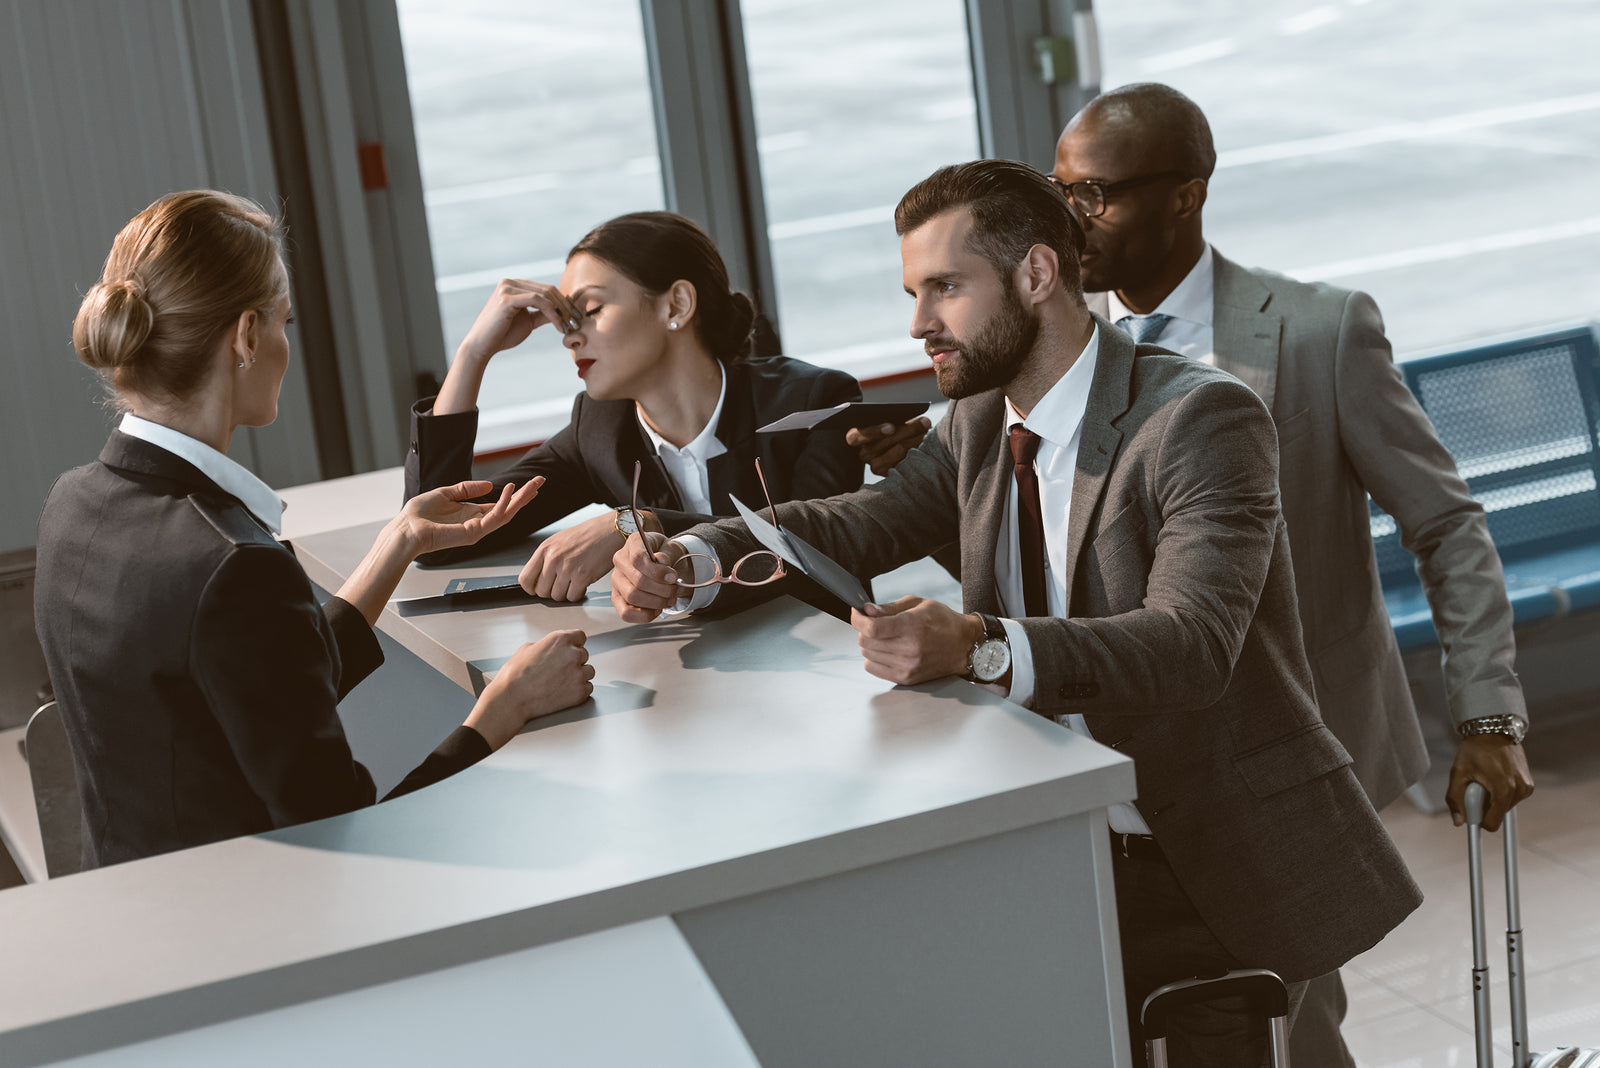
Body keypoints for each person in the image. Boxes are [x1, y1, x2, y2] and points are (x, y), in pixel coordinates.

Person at [608, 159, 1422, 1066]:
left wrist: (978, 645)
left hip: (1201, 861)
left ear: (1037, 274)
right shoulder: (983, 417)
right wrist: (698, 555)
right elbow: (863, 523)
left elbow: (1190, 648)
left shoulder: (1201, 418)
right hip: (1052, 844)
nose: (918, 324)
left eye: (945, 289)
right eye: (915, 292)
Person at [1050, 82, 1534, 1068]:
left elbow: (1444, 524)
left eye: (1094, 193)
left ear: (1185, 194)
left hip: (1292, 748)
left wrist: (1486, 716)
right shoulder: (1060, 352)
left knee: (1288, 1021)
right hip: (1122, 755)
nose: (1069, 219)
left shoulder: (1319, 330)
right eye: (1058, 190)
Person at [34, 191, 594, 870]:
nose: (285, 344)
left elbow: (256, 686)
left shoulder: (73, 504)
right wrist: (504, 708)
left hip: (134, 907)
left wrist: (399, 543)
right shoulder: (231, 562)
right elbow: (353, 835)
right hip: (256, 935)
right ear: (245, 336)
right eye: (285, 321)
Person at [405, 211, 865, 604]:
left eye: (591, 308)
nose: (569, 335)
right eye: (566, 318)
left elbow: (811, 551)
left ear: (677, 305)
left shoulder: (814, 401)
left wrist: (637, 524)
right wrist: (472, 355)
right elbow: (436, 536)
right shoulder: (601, 430)